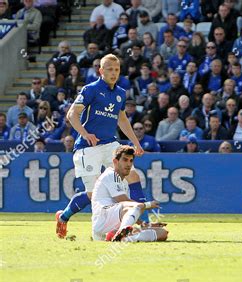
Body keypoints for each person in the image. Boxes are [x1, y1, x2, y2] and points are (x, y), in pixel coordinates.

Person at [55, 54, 146, 239]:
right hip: (87, 147)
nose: (113, 73)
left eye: (117, 70)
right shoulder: (91, 89)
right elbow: (72, 114)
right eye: (110, 69)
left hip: (110, 143)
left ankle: (142, 221)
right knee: (93, 194)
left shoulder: (120, 93)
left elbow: (122, 119)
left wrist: (135, 142)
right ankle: (63, 217)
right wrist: (85, 134)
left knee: (133, 175)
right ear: (101, 71)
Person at [91, 145, 168, 242]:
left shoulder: (123, 182)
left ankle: (123, 238)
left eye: (131, 161)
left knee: (162, 233)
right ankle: (121, 232)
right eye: (125, 160)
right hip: (102, 220)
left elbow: (128, 211)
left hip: (114, 220)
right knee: (136, 205)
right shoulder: (110, 175)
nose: (128, 164)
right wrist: (147, 205)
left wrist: (144, 224)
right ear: (115, 162)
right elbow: (123, 201)